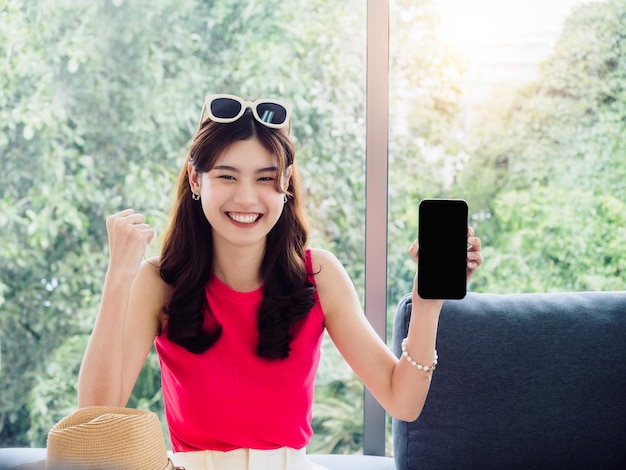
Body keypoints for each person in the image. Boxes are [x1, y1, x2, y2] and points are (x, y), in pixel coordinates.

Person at [77, 93, 483, 470]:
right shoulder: (159, 281)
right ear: (197, 180)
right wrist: (119, 276)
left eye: (265, 178)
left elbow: (403, 401)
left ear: (286, 183)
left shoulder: (319, 276)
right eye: (228, 176)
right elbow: (96, 415)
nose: (247, 199)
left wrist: (428, 303)